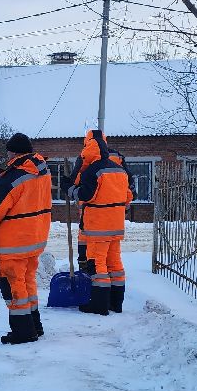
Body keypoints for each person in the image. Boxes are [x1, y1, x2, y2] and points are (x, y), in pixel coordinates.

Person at [0, 133, 53, 344]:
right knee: (28, 283)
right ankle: (34, 326)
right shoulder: (42, 171)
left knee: (13, 285)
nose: (7, 155)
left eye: (9, 151)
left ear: (14, 152)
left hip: (14, 242)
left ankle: (23, 332)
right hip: (34, 238)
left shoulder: (13, 177)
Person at [71, 129, 132, 315]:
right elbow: (130, 191)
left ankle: (99, 306)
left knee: (97, 262)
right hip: (116, 220)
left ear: (88, 144)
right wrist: (122, 203)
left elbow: (83, 191)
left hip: (97, 222)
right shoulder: (119, 164)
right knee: (114, 261)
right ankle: (116, 303)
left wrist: (70, 189)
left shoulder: (89, 165)